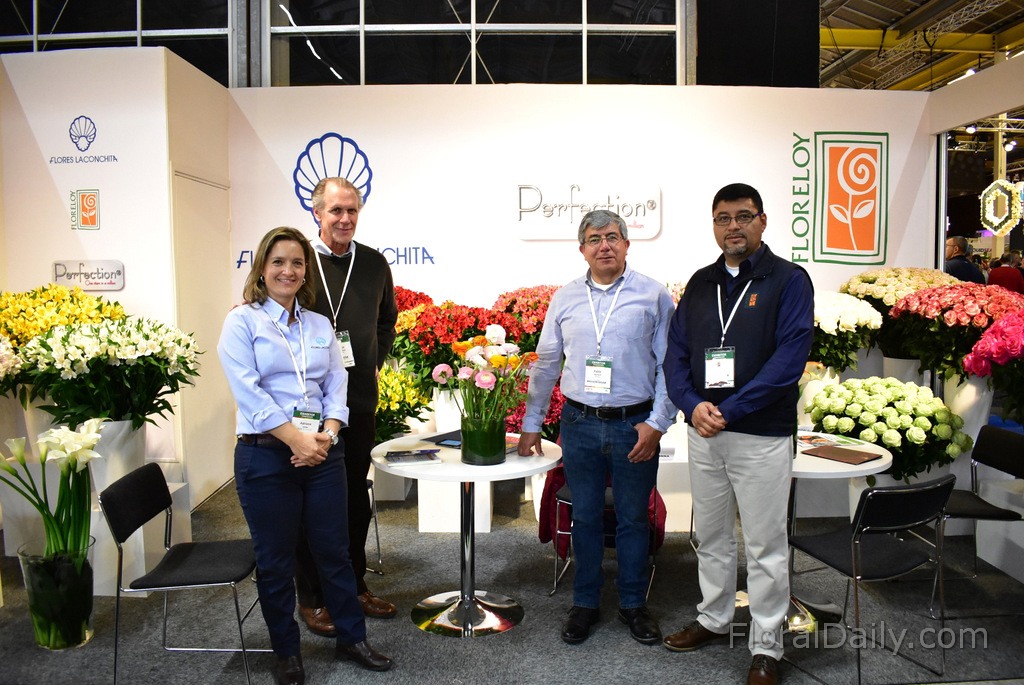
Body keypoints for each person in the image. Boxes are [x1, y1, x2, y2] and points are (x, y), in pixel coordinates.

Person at [218, 227, 393, 685]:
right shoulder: (242, 323)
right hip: (265, 457)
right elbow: (249, 393)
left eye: (297, 263)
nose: (288, 271)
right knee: (276, 561)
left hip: (322, 455)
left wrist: (327, 435)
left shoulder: (318, 325)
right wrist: (296, 439)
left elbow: (336, 384)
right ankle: (287, 652)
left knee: (334, 551)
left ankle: (352, 638)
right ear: (262, 268)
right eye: (278, 262)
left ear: (305, 271)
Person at [662, 183, 813, 685]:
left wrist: (729, 410)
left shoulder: (789, 280)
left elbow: (788, 361)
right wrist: (691, 405)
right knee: (710, 536)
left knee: (766, 544)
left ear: (762, 221)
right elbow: (676, 355)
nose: (733, 226)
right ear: (714, 225)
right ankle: (714, 617)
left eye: (743, 216)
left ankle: (767, 645)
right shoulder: (701, 283)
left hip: (761, 435)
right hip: (705, 431)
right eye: (723, 218)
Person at [518, 209, 676, 647]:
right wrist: (532, 423)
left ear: (626, 244)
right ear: (582, 249)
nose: (603, 245)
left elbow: (669, 365)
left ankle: (633, 603)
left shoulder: (653, 295)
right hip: (580, 423)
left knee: (633, 518)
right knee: (584, 516)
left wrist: (657, 424)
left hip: (634, 426)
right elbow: (547, 363)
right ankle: (584, 602)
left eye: (611, 237)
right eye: (594, 239)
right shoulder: (565, 298)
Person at [293, 177, 400, 636]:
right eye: (336, 210)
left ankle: (354, 586)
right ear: (317, 213)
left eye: (352, 210)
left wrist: (373, 361)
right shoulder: (298, 261)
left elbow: (387, 321)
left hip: (357, 401)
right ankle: (313, 597)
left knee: (354, 496)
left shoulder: (374, 263)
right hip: (306, 405)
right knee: (309, 501)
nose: (345, 219)